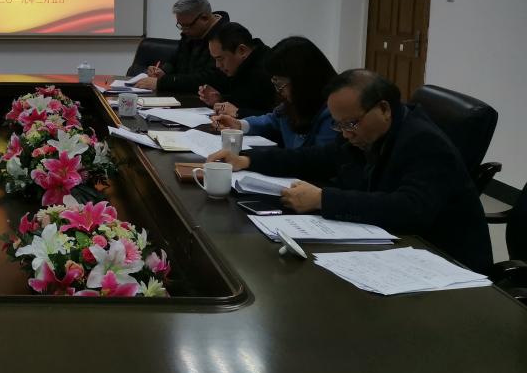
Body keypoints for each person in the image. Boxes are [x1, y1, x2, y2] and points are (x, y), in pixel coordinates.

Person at [210, 69, 493, 273]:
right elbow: (316, 158)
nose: (345, 133)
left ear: (384, 109)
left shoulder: (424, 142)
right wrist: (248, 160)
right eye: (338, 124)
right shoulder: (367, 134)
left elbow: (410, 208)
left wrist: (324, 199)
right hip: (395, 248)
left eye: (350, 124)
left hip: (445, 264)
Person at [211, 36, 338, 148]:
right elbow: (273, 119)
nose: (279, 91)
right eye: (275, 83)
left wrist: (252, 160)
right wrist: (239, 125)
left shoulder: (332, 112)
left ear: (302, 80)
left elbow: (316, 159)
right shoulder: (292, 104)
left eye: (280, 84)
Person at [135, 0, 229, 92]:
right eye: (181, 25)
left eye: (187, 26)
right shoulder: (191, 33)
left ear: (204, 18)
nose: (183, 31)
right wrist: (163, 71)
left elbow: (210, 79)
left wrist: (163, 83)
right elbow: (176, 59)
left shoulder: (226, 36)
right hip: (182, 94)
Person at [197, 22, 277, 117]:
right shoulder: (240, 66)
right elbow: (244, 101)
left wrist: (238, 112)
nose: (217, 65)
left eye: (220, 58)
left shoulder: (270, 72)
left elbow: (280, 118)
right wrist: (220, 100)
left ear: (242, 51)